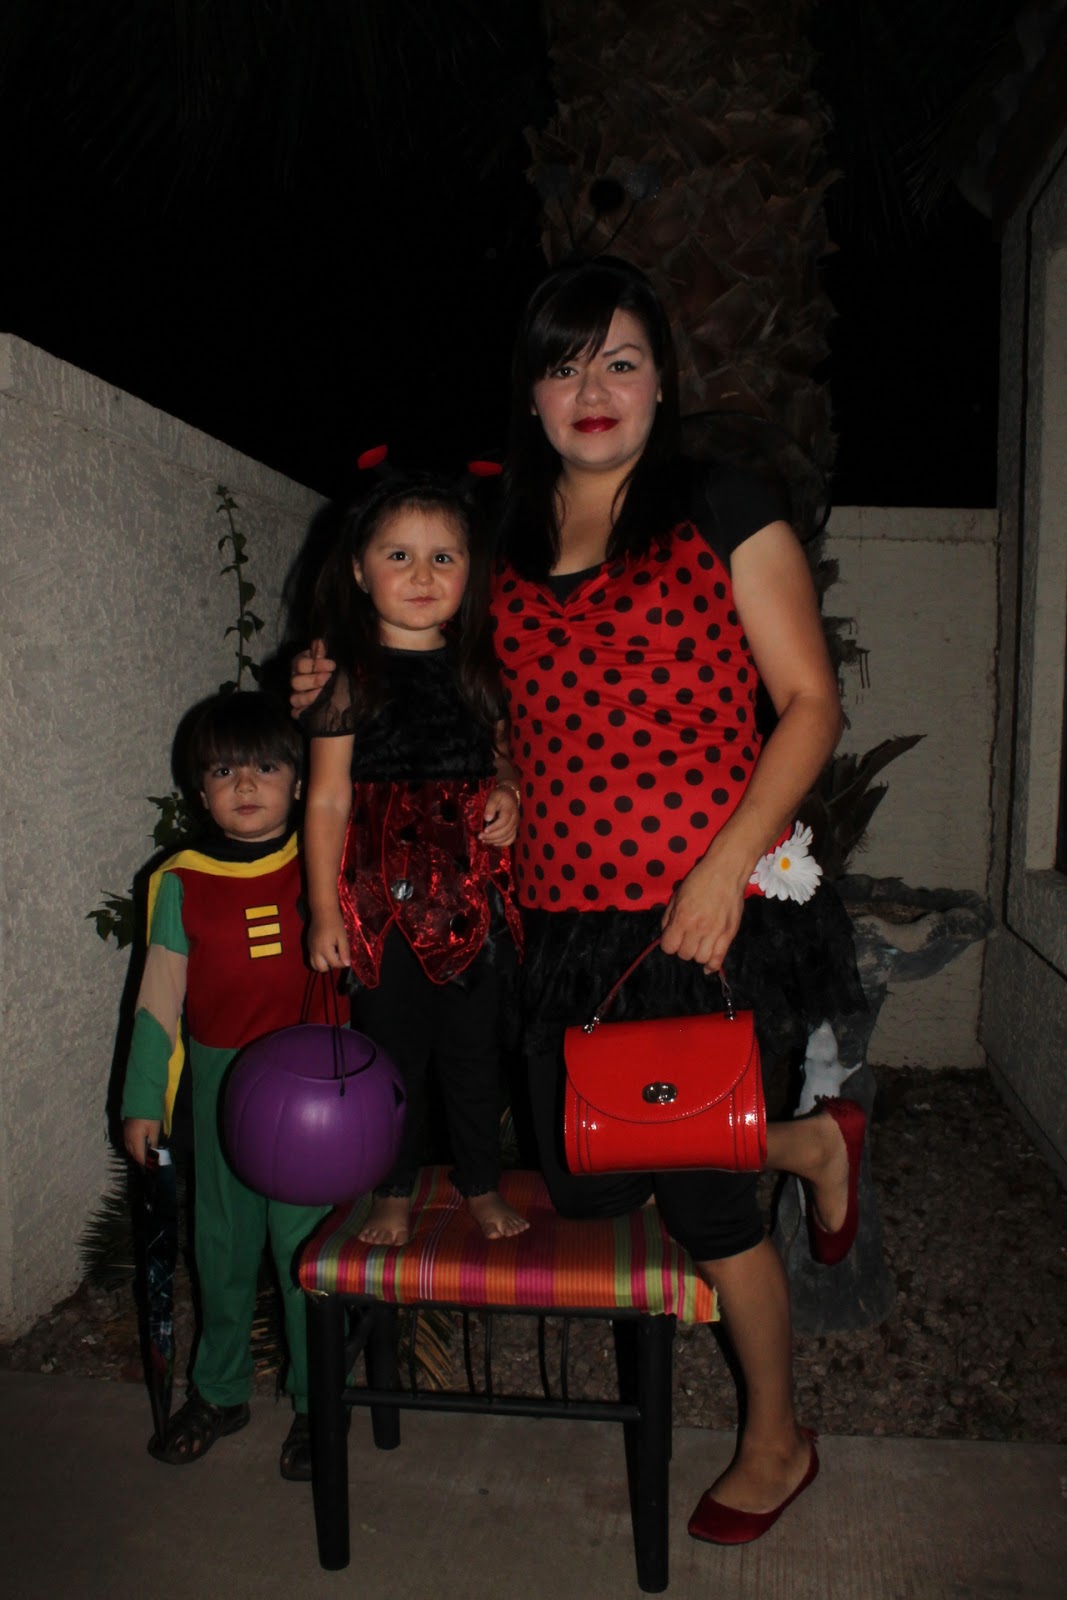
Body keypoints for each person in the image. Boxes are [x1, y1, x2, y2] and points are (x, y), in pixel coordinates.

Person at [292, 257, 868, 1546]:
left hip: (702, 903)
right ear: (532, 394)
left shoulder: (716, 502)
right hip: (556, 918)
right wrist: (327, 678)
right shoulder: (497, 537)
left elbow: (808, 704)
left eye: (618, 360)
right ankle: (803, 1143)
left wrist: (720, 868)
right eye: (563, 365)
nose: (591, 387)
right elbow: (443, 674)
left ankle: (775, 1438)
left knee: (702, 1203)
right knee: (589, 1176)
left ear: (661, 381)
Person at [301, 464, 529, 1246]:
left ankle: (479, 1183)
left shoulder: (479, 669)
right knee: (390, 1052)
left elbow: (504, 760)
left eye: (443, 557)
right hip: (380, 904)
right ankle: (392, 1189)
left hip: (470, 899)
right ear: (359, 571)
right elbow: (325, 800)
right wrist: (323, 911)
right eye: (398, 555)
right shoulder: (344, 679)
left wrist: (509, 793)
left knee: (473, 1054)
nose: (423, 575)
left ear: (471, 572)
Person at [121, 690, 337, 1482]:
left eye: (266, 767)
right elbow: (158, 999)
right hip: (218, 1086)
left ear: (300, 781)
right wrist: (143, 1102)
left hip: (312, 1087)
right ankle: (218, 1391)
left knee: (305, 1249)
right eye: (222, 771)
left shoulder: (326, 855)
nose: (245, 785)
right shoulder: (179, 880)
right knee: (221, 1244)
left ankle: (319, 1402)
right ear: (199, 788)